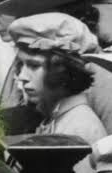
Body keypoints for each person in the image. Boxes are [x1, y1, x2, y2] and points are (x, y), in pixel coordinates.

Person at [7, 12, 107, 173]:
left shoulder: (79, 130)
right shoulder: (55, 117)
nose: (23, 77)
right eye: (21, 65)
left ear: (63, 72)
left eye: (33, 66)